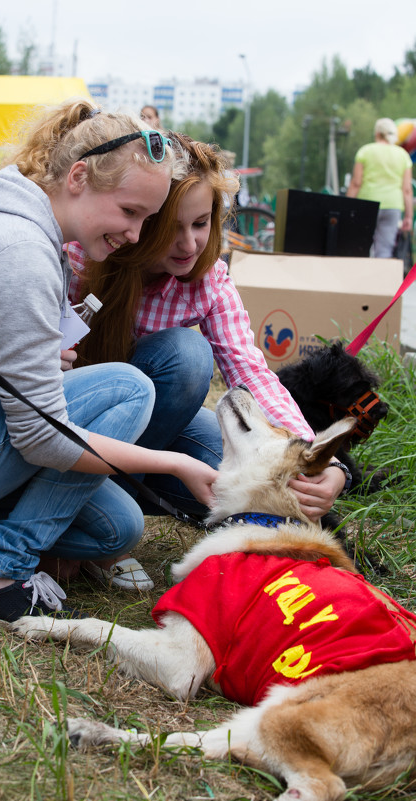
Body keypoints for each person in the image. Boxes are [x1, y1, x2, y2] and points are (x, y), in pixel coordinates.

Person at [0, 100, 218, 624]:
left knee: (117, 529)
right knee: (128, 390)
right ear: (78, 175)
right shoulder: (19, 249)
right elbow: (41, 435)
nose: (135, 234)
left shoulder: (5, 220)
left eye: (147, 219)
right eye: (130, 212)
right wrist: (175, 462)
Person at [64, 133, 347, 587]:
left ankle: (115, 495)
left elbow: (249, 371)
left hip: (155, 425)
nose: (188, 244)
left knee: (242, 479)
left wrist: (316, 460)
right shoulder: (88, 253)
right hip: (83, 423)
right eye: (171, 226)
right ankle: (93, 503)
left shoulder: (208, 276)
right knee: (187, 355)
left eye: (200, 223)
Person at [346, 118, 413, 258]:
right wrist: (408, 215)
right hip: (393, 206)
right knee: (385, 250)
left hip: (367, 204)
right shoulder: (402, 155)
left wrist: (346, 206)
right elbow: (406, 189)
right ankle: (379, 279)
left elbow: (356, 183)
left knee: (360, 247)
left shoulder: (365, 151)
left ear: (377, 133)